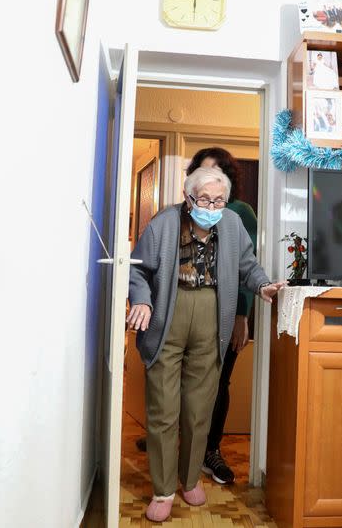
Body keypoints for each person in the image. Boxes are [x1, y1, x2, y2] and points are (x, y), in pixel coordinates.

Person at [127, 166, 283, 522]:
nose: (212, 207)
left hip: (212, 316)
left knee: (199, 409)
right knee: (164, 408)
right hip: (168, 313)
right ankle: (163, 490)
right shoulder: (165, 223)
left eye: (218, 200)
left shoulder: (231, 224)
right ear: (188, 198)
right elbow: (138, 270)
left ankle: (190, 477)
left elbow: (248, 266)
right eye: (204, 199)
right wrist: (141, 300)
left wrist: (262, 286)